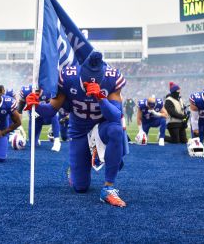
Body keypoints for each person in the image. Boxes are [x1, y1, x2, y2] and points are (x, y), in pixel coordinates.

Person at [25, 51, 128, 207]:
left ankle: (108, 188)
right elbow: (51, 110)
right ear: (81, 74)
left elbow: (115, 116)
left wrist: (100, 97)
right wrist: (36, 106)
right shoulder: (68, 77)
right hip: (79, 130)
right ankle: (75, 168)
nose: (90, 85)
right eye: (87, 82)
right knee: (80, 188)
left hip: (102, 127)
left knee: (116, 131)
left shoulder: (112, 77)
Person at [18, 84, 61, 152]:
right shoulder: (25, 91)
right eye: (35, 91)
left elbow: (54, 107)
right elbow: (19, 109)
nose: (37, 93)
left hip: (47, 116)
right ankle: (35, 139)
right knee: (32, 145)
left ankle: (56, 141)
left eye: (39, 91)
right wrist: (19, 126)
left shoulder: (48, 91)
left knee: (54, 115)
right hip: (35, 118)